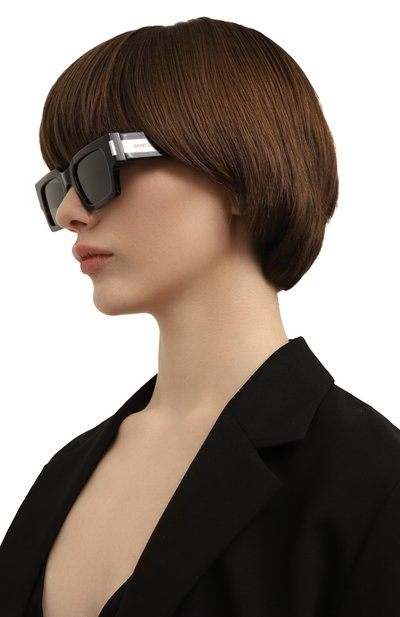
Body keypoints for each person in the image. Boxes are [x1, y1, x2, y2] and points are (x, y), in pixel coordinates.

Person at [0, 15, 399, 617]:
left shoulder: (370, 480)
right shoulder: (64, 473)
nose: (70, 212)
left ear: (237, 170)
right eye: (60, 184)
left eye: (99, 166)